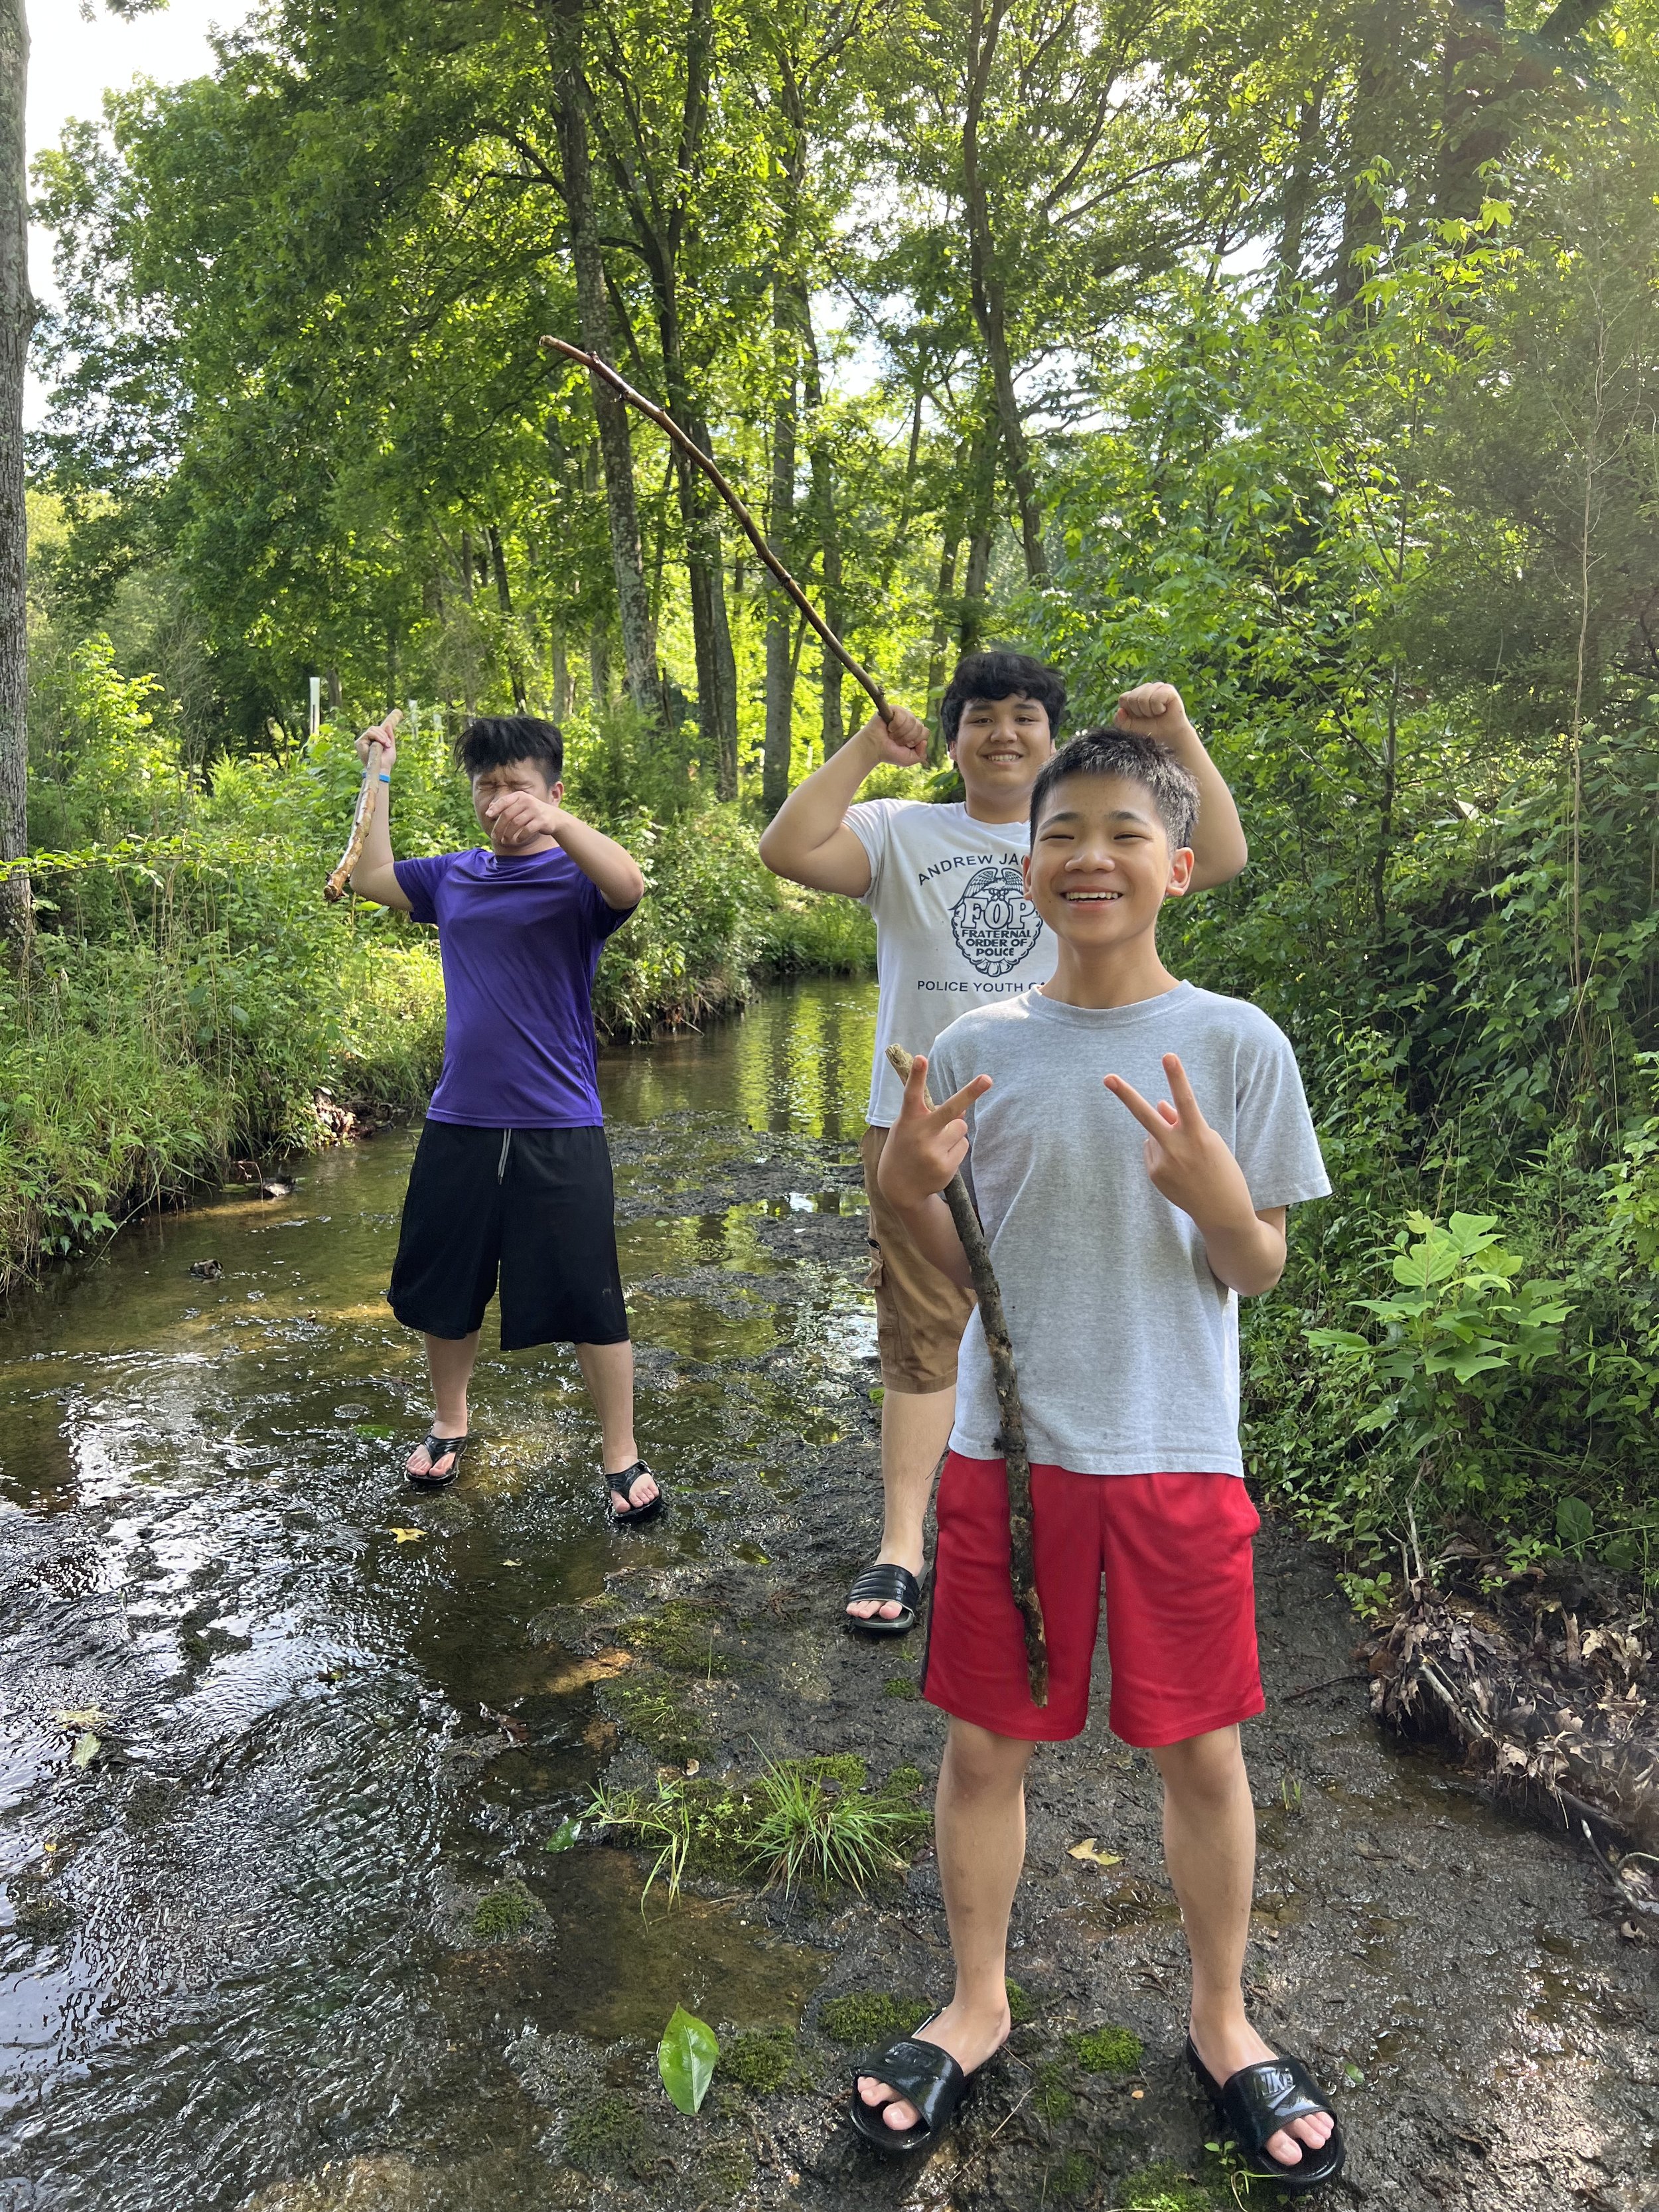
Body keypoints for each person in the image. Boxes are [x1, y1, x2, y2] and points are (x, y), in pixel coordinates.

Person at [857, 726, 1342, 2191]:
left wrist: (1219, 1201)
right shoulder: (975, 1050)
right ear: (1025, 866)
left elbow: (1256, 1269)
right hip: (1007, 1457)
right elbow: (965, 1269)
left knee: (1202, 1748)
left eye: (1125, 832)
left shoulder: (1238, 1044)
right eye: (1062, 832)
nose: (1090, 856)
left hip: (1175, 1449)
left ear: (1177, 866)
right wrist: (908, 1189)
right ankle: (976, 2000)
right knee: (983, 1745)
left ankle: (1221, 2016)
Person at [758, 650, 1248, 1633]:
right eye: (979, 716)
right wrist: (868, 748)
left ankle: (1072, 1510)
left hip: (1076, 1110)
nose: (1003, 732)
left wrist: (1174, 735)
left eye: (1026, 715)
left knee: (1075, 1315)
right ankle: (903, 1541)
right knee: (923, 1330)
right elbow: (787, 848)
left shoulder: (1093, 838)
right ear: (951, 741)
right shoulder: (902, 829)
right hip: (925, 1122)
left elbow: (1221, 856)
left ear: (1055, 737)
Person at [345, 710, 663, 1526]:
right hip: (460, 1118)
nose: (497, 801)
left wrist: (561, 827)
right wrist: (378, 772)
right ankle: (450, 1422)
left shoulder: (577, 877)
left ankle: (620, 1453)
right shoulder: (453, 876)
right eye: (485, 787)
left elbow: (630, 885)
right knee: (447, 1285)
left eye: (515, 785)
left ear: (552, 792)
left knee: (592, 1294)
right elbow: (372, 874)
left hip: (561, 1120)